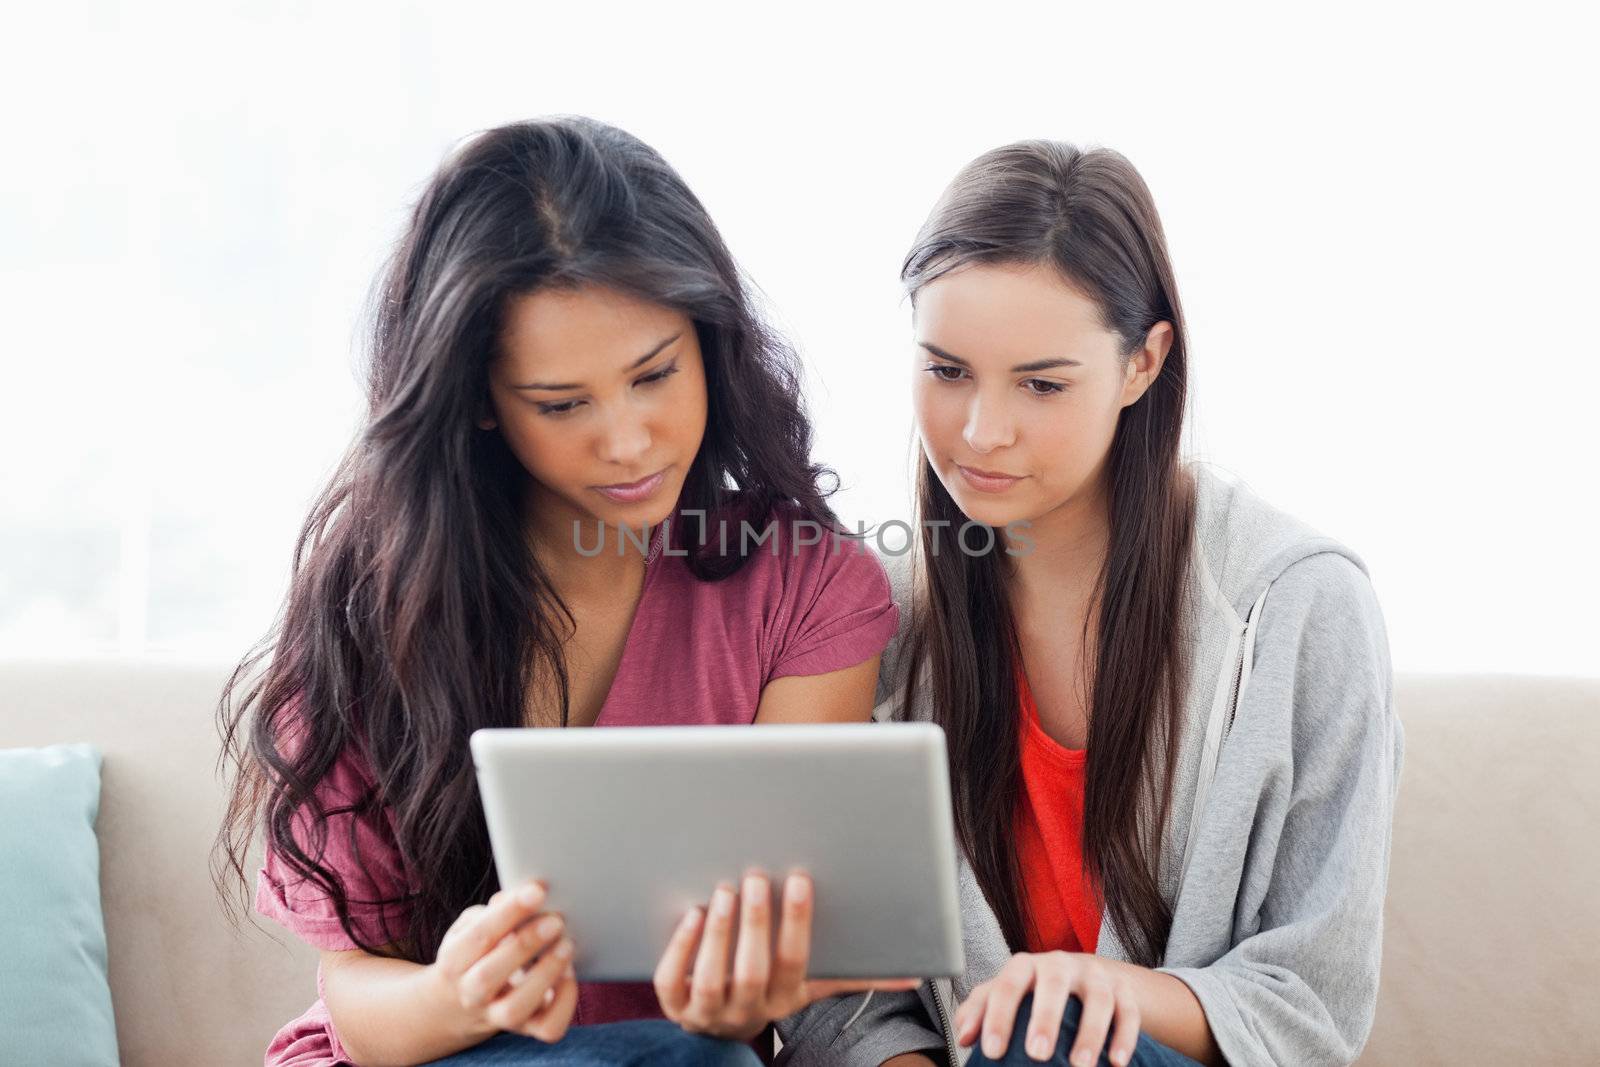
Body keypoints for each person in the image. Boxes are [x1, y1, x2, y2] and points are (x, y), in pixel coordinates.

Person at [214, 116, 912, 1067]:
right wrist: (458, 993)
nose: (626, 441)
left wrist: (761, 977)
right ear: (478, 403)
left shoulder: (805, 590)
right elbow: (361, 1012)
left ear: (712, 341)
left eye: (655, 373)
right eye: (562, 404)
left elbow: (803, 934)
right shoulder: (377, 606)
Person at [776, 141, 1404, 1067]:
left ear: (1144, 364)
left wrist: (1105, 994)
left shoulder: (1299, 606)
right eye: (947, 372)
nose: (981, 432)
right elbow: (847, 994)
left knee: (1051, 1031)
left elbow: (1313, 996)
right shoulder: (875, 614)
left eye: (1041, 383)